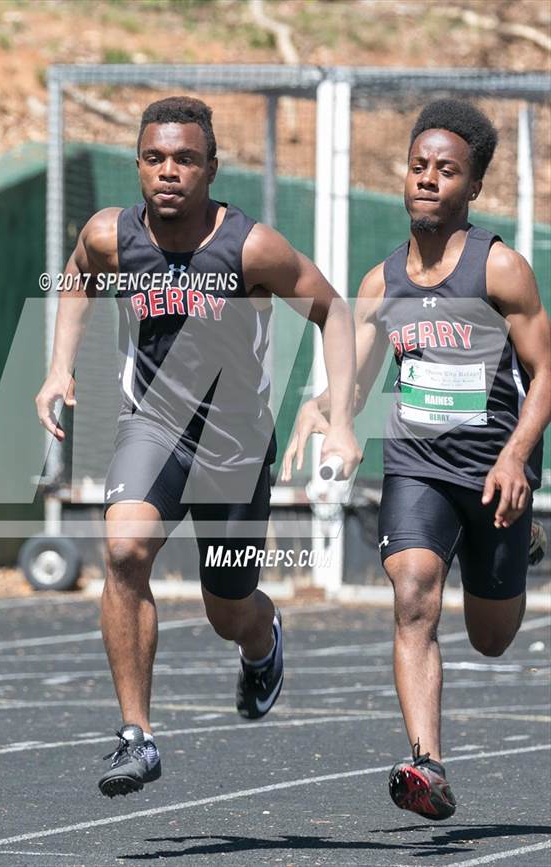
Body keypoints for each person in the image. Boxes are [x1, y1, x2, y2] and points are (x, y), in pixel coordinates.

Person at [36, 96, 361, 798]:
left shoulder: (251, 247)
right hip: (151, 427)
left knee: (227, 609)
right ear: (138, 165)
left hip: (235, 445)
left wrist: (339, 412)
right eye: (155, 158)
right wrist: (59, 365)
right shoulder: (109, 235)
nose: (169, 171)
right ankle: (137, 734)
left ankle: (262, 637)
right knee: (123, 550)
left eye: (185, 159)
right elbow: (76, 278)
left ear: (212, 168)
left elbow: (333, 309)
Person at [283, 99, 550, 821]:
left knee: (492, 640)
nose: (428, 180)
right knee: (413, 594)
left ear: (473, 186)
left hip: (495, 467)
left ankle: (521, 542)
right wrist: (326, 409)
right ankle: (426, 762)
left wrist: (520, 455)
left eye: (446, 171)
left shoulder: (501, 268)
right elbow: (358, 378)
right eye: (418, 166)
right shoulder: (381, 283)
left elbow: (545, 370)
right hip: (418, 464)